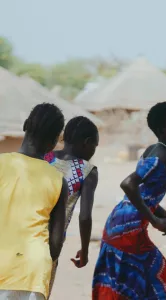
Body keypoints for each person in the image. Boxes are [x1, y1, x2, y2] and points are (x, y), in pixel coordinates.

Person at [92, 102, 166, 300]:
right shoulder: (162, 155)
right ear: (162, 130)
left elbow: (146, 199)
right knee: (161, 287)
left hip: (122, 225)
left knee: (136, 287)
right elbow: (128, 184)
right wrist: (154, 220)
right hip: (128, 228)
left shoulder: (153, 150)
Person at [0, 103, 68, 300]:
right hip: (31, 272)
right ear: (55, 141)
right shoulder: (57, 180)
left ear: (25, 125)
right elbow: (56, 244)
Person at [43, 116, 100, 296]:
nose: (94, 151)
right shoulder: (87, 170)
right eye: (95, 146)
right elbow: (84, 216)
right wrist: (84, 249)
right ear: (87, 142)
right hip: (52, 241)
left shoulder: (45, 158)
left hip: (25, 232)